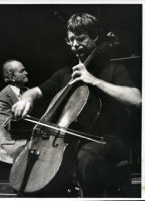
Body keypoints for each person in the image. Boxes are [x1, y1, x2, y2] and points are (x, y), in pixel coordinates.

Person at [12, 13, 141, 197]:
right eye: (70, 40)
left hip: (105, 139)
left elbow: (137, 99)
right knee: (21, 154)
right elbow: (35, 91)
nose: (74, 45)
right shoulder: (66, 74)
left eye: (80, 39)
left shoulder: (113, 70)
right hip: (68, 140)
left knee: (86, 158)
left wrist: (94, 80)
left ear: (95, 36)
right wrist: (26, 99)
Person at [0, 60, 29, 164]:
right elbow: (8, 124)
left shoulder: (28, 92)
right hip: (11, 142)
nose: (26, 73)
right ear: (12, 77)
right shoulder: (2, 97)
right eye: (22, 71)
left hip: (27, 138)